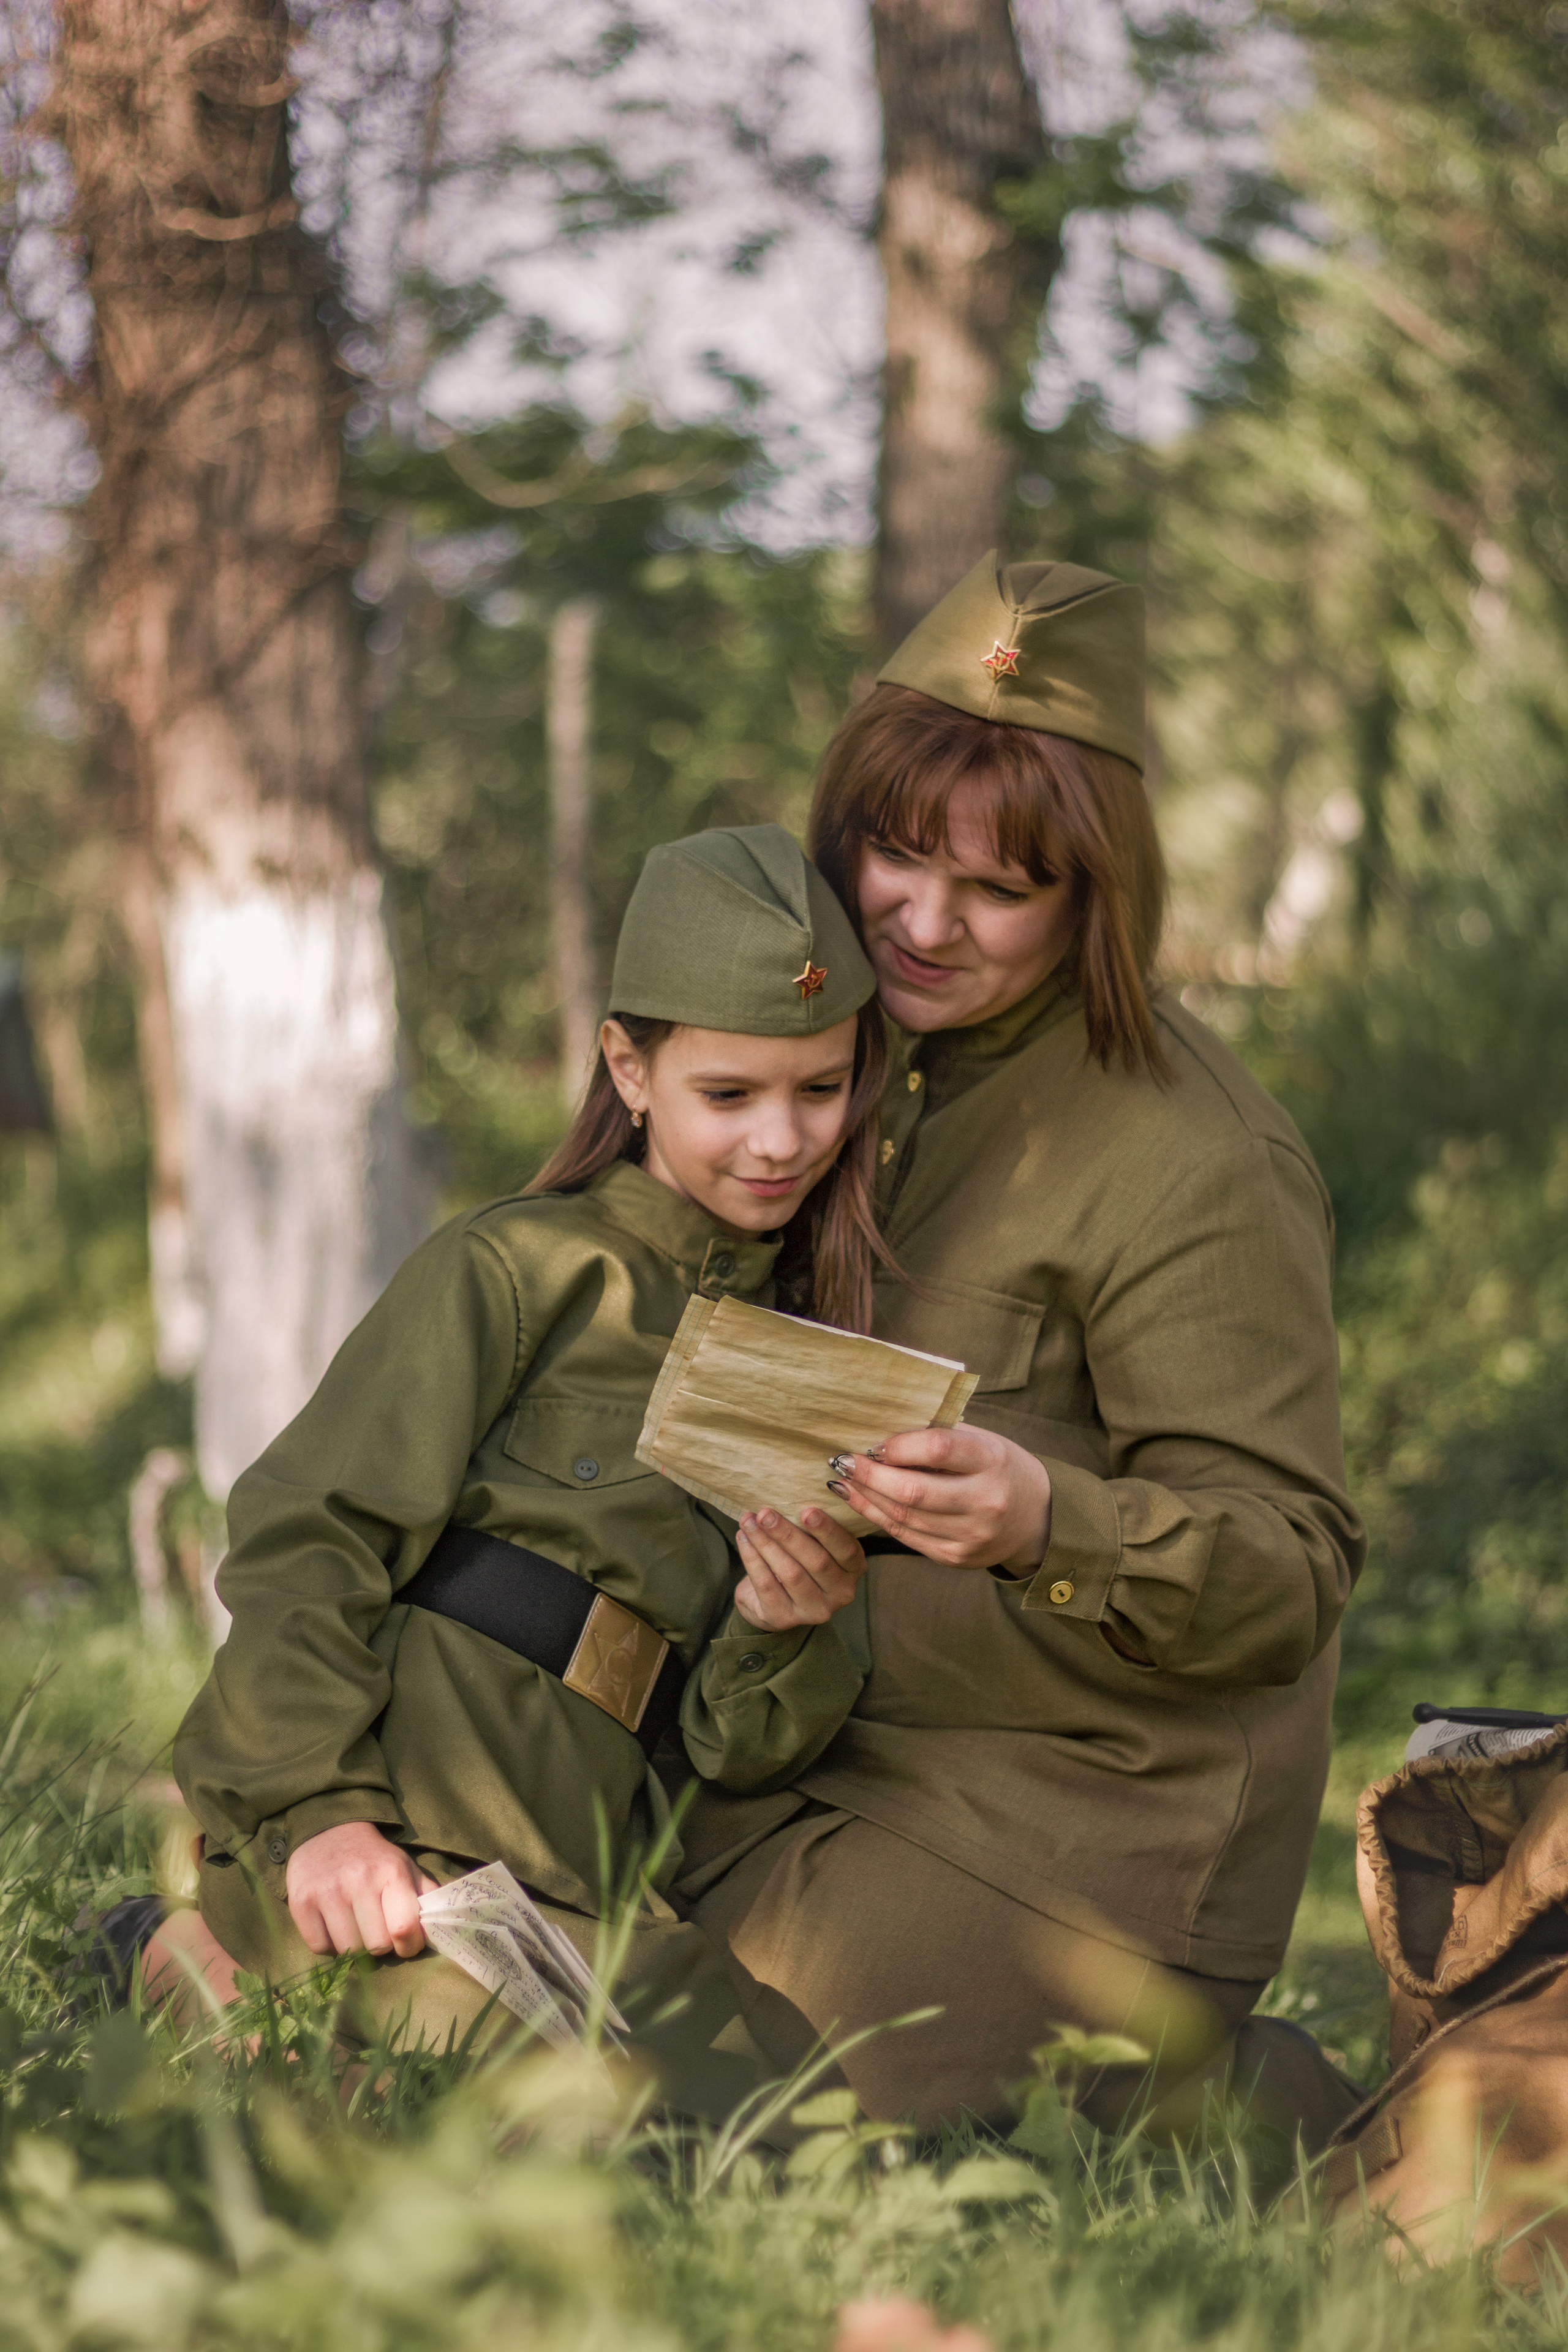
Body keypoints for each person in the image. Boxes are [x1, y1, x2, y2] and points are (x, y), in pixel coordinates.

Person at [676, 556, 1369, 2141]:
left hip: (1072, 1832)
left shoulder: (1195, 1157)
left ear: (1094, 897)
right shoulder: (825, 1067)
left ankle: (1255, 2110)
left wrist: (1051, 1521)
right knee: (504, 1968)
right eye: (894, 858)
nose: (925, 923)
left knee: (701, 2111)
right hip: (792, 1740)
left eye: (998, 891)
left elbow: (1290, 1568)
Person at [137, 826, 884, 2111]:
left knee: (791, 2137)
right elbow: (309, 1535)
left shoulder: (804, 1368)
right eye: (730, 1095)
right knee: (597, 2126)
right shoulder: (517, 1274)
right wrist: (321, 1815)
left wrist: (782, 1623)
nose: (779, 1140)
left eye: (819, 1092)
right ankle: (173, 1964)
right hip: (383, 1859)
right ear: (628, 1070)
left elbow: (730, 1747)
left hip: (574, 1895)